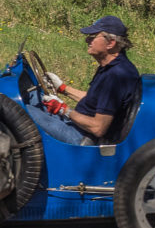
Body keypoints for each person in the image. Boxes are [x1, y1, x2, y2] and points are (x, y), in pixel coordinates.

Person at [27, 15, 140, 145]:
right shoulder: (112, 66)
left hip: (82, 137)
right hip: (78, 126)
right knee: (31, 96)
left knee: (22, 110)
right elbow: (96, 100)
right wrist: (63, 88)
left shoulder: (116, 76)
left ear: (110, 43)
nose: (87, 40)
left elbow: (98, 128)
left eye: (92, 37)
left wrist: (64, 110)